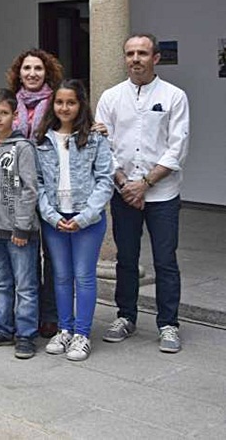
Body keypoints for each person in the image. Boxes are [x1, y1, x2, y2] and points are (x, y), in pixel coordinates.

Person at [96, 33, 189, 353]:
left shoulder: (174, 96)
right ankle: (126, 316)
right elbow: (102, 148)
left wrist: (145, 183)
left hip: (162, 194)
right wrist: (125, 183)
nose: (135, 59)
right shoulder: (110, 97)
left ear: (156, 58)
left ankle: (168, 324)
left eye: (142, 53)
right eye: (130, 53)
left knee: (165, 261)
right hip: (124, 194)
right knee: (126, 260)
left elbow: (177, 148)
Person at [35, 80, 114, 362]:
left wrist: (85, 216)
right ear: (52, 105)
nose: (65, 108)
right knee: (61, 276)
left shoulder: (95, 139)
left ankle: (82, 333)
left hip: (87, 220)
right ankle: (64, 328)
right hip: (55, 219)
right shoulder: (43, 139)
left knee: (84, 276)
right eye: (59, 102)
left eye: (71, 102)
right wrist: (52, 216)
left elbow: (105, 181)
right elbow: (38, 183)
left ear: (80, 105)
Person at [0, 89, 41, 359]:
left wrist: (22, 226)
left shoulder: (23, 148)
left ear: (15, 116)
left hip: (18, 229)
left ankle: (26, 335)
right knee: (1, 281)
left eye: (4, 113)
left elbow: (30, 189)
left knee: (25, 284)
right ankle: (3, 328)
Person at [6, 47, 64, 338]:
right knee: (23, 255)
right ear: (19, 73)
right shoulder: (10, 103)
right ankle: (24, 313)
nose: (31, 74)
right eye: (26, 68)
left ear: (47, 73)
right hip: (17, 189)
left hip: (51, 188)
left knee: (52, 257)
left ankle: (50, 314)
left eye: (38, 69)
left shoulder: (57, 103)